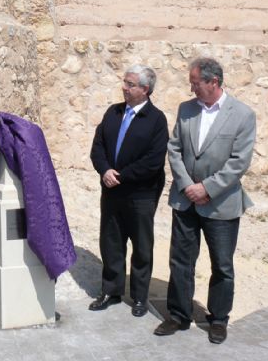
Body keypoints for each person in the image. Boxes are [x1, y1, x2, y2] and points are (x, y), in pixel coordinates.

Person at [154, 57, 256, 344]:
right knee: (181, 261)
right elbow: (174, 149)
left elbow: (239, 162)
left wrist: (207, 188)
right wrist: (188, 186)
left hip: (221, 204)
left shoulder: (243, 115)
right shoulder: (186, 109)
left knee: (221, 265)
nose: (191, 88)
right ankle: (178, 314)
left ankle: (219, 319)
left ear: (214, 82)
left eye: (196, 83)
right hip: (185, 201)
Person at [89, 65, 168, 317]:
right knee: (111, 242)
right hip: (111, 190)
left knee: (142, 246)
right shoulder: (113, 112)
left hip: (141, 194)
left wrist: (120, 176)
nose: (124, 87)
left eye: (130, 84)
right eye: (124, 82)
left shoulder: (156, 119)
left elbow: (154, 161)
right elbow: (98, 146)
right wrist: (104, 171)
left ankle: (139, 297)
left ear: (145, 90)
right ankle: (111, 291)